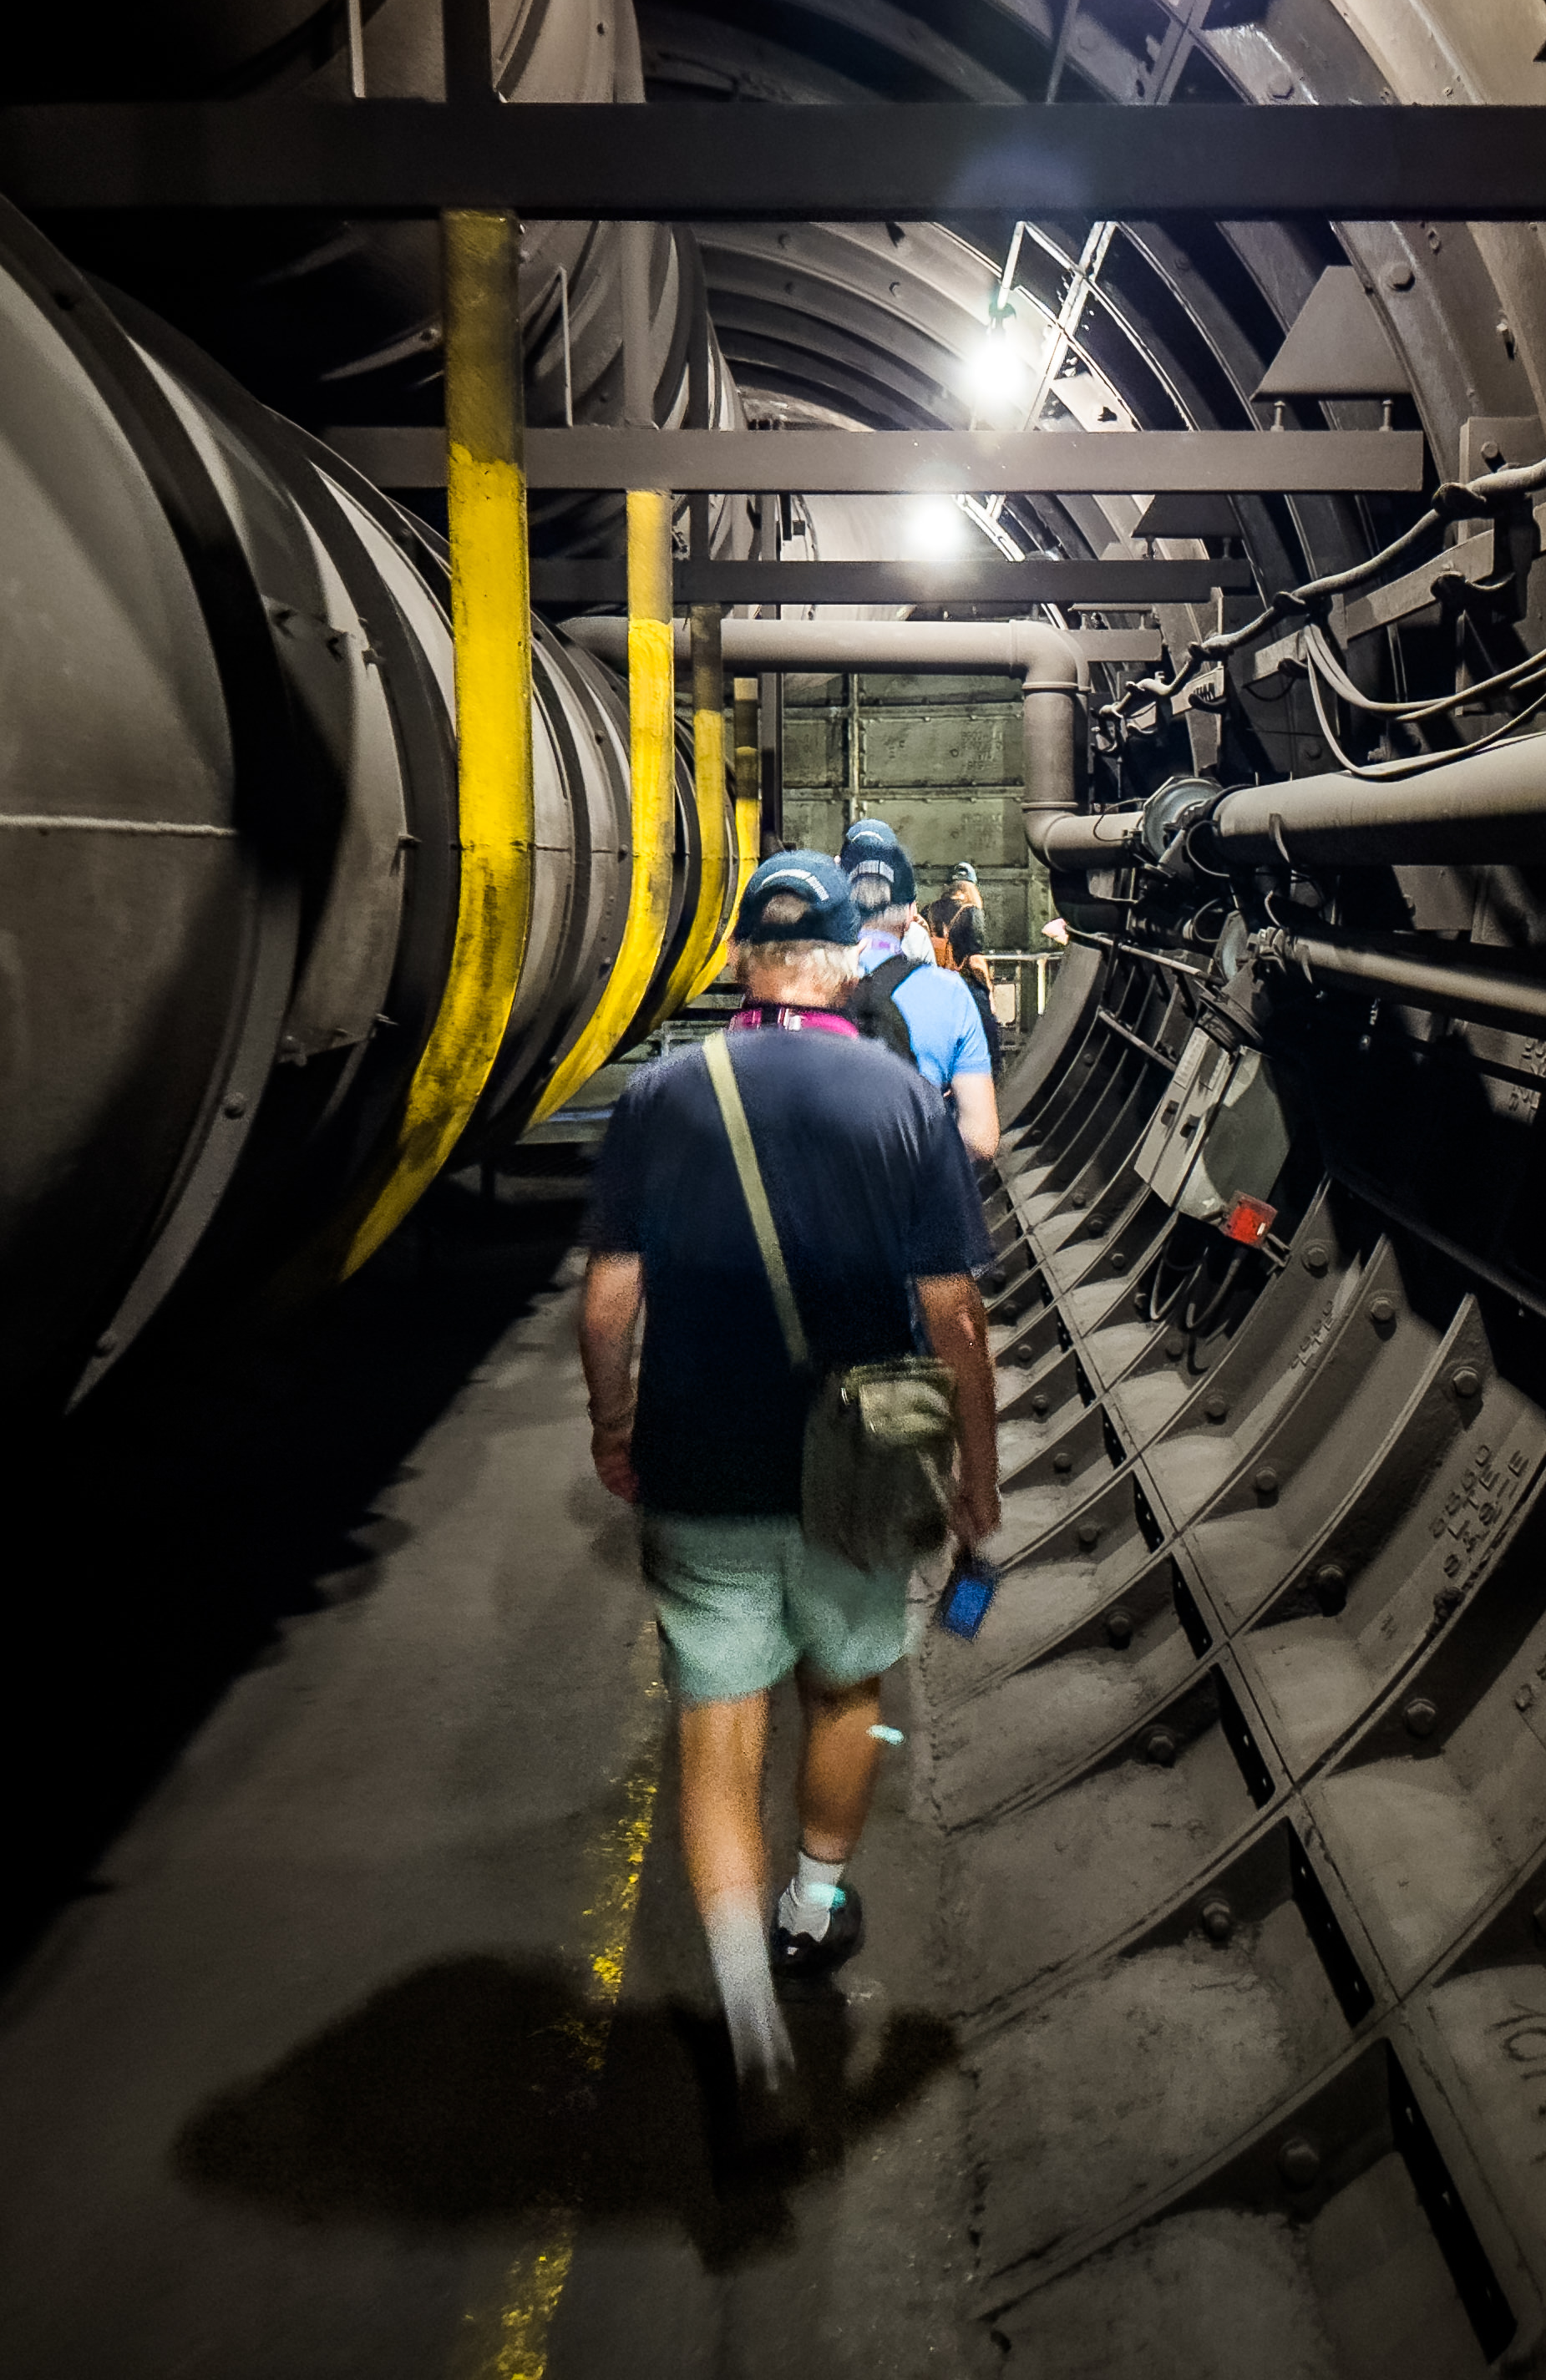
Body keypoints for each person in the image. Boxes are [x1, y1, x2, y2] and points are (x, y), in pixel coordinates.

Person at [577, 851, 1002, 2144]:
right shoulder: (899, 1099)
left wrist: (614, 1426)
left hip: (702, 1454)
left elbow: (608, 1299)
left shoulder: (663, 1095)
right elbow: (954, 1315)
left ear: (743, 966)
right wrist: (977, 1475)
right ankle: (813, 1905)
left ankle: (751, 2026)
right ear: (842, 958)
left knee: (718, 1728)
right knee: (846, 1692)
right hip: (861, 1456)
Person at [838, 818, 999, 1162]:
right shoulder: (951, 994)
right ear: (912, 911)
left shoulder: (810, 985)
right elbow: (980, 1140)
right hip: (915, 1172)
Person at [927, 866, 1006, 1066]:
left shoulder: (929, 910)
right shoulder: (972, 912)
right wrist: (989, 993)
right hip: (966, 985)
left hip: (936, 985)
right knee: (987, 1043)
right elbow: (975, 959)